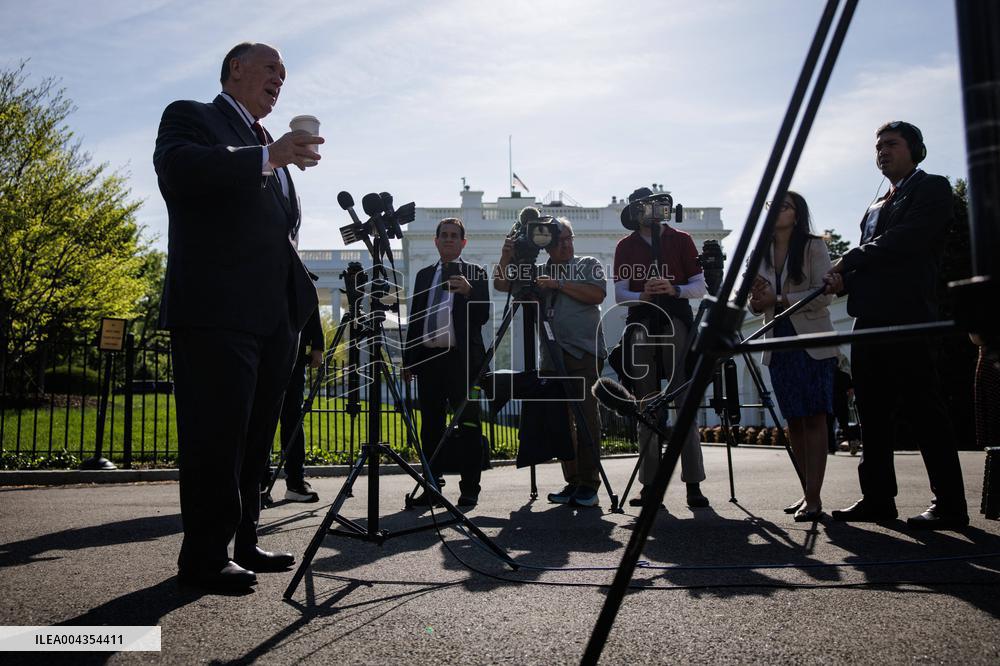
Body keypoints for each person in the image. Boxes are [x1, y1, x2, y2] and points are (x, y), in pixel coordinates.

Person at [154, 42, 323, 590]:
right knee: (216, 435)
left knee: (255, 436)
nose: (280, 78)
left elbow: (280, 236)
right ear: (236, 69)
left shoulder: (268, 147)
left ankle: (243, 541)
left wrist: (301, 312)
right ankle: (203, 556)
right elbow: (179, 172)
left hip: (275, 318)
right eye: (271, 68)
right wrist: (267, 158)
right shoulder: (192, 117)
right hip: (217, 311)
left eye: (284, 73)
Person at [825, 121, 967, 529]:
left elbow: (909, 239)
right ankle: (878, 499)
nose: (882, 152)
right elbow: (869, 263)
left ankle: (950, 504)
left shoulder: (932, 188)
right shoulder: (872, 208)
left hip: (909, 317)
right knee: (872, 412)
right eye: (878, 146)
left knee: (925, 410)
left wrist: (847, 260)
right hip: (868, 319)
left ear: (915, 149)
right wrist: (841, 281)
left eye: (891, 144)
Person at [495, 216, 607, 507]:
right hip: (551, 356)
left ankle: (589, 485)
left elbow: (597, 293)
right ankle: (573, 483)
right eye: (560, 240)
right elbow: (501, 285)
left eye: (570, 239)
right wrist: (507, 256)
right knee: (561, 423)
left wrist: (557, 284)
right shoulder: (537, 270)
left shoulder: (587, 263)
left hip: (584, 353)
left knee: (586, 419)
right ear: (546, 243)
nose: (566, 244)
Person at [613, 187, 709, 509]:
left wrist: (674, 288)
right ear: (635, 212)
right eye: (642, 208)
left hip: (676, 321)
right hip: (641, 321)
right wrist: (642, 296)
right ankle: (650, 483)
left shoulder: (680, 240)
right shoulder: (625, 246)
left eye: (654, 207)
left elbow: (700, 286)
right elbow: (619, 293)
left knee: (684, 399)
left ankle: (693, 482)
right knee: (646, 403)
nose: (649, 213)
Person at [748, 191, 837, 522]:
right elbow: (756, 302)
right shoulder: (761, 254)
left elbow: (823, 297)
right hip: (777, 341)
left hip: (811, 340)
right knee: (795, 421)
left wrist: (780, 297)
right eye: (773, 207)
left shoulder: (814, 246)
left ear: (797, 215)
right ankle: (806, 493)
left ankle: (814, 497)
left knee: (815, 417)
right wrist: (758, 301)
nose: (776, 213)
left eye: (784, 207)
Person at [402, 218, 489, 508]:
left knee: (469, 424)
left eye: (455, 236)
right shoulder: (424, 275)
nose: (449, 240)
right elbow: (416, 318)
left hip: (462, 362)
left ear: (463, 242)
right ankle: (431, 484)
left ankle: (470, 488)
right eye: (444, 235)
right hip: (430, 360)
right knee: (430, 426)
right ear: (436, 241)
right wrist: (409, 360)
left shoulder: (475, 273)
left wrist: (469, 292)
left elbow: (483, 316)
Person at [276, 306, 324, 503]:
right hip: (258, 341)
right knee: (259, 417)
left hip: (293, 351)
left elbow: (308, 298)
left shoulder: (299, 274)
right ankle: (257, 482)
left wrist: (317, 346)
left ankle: (296, 481)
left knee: (293, 418)